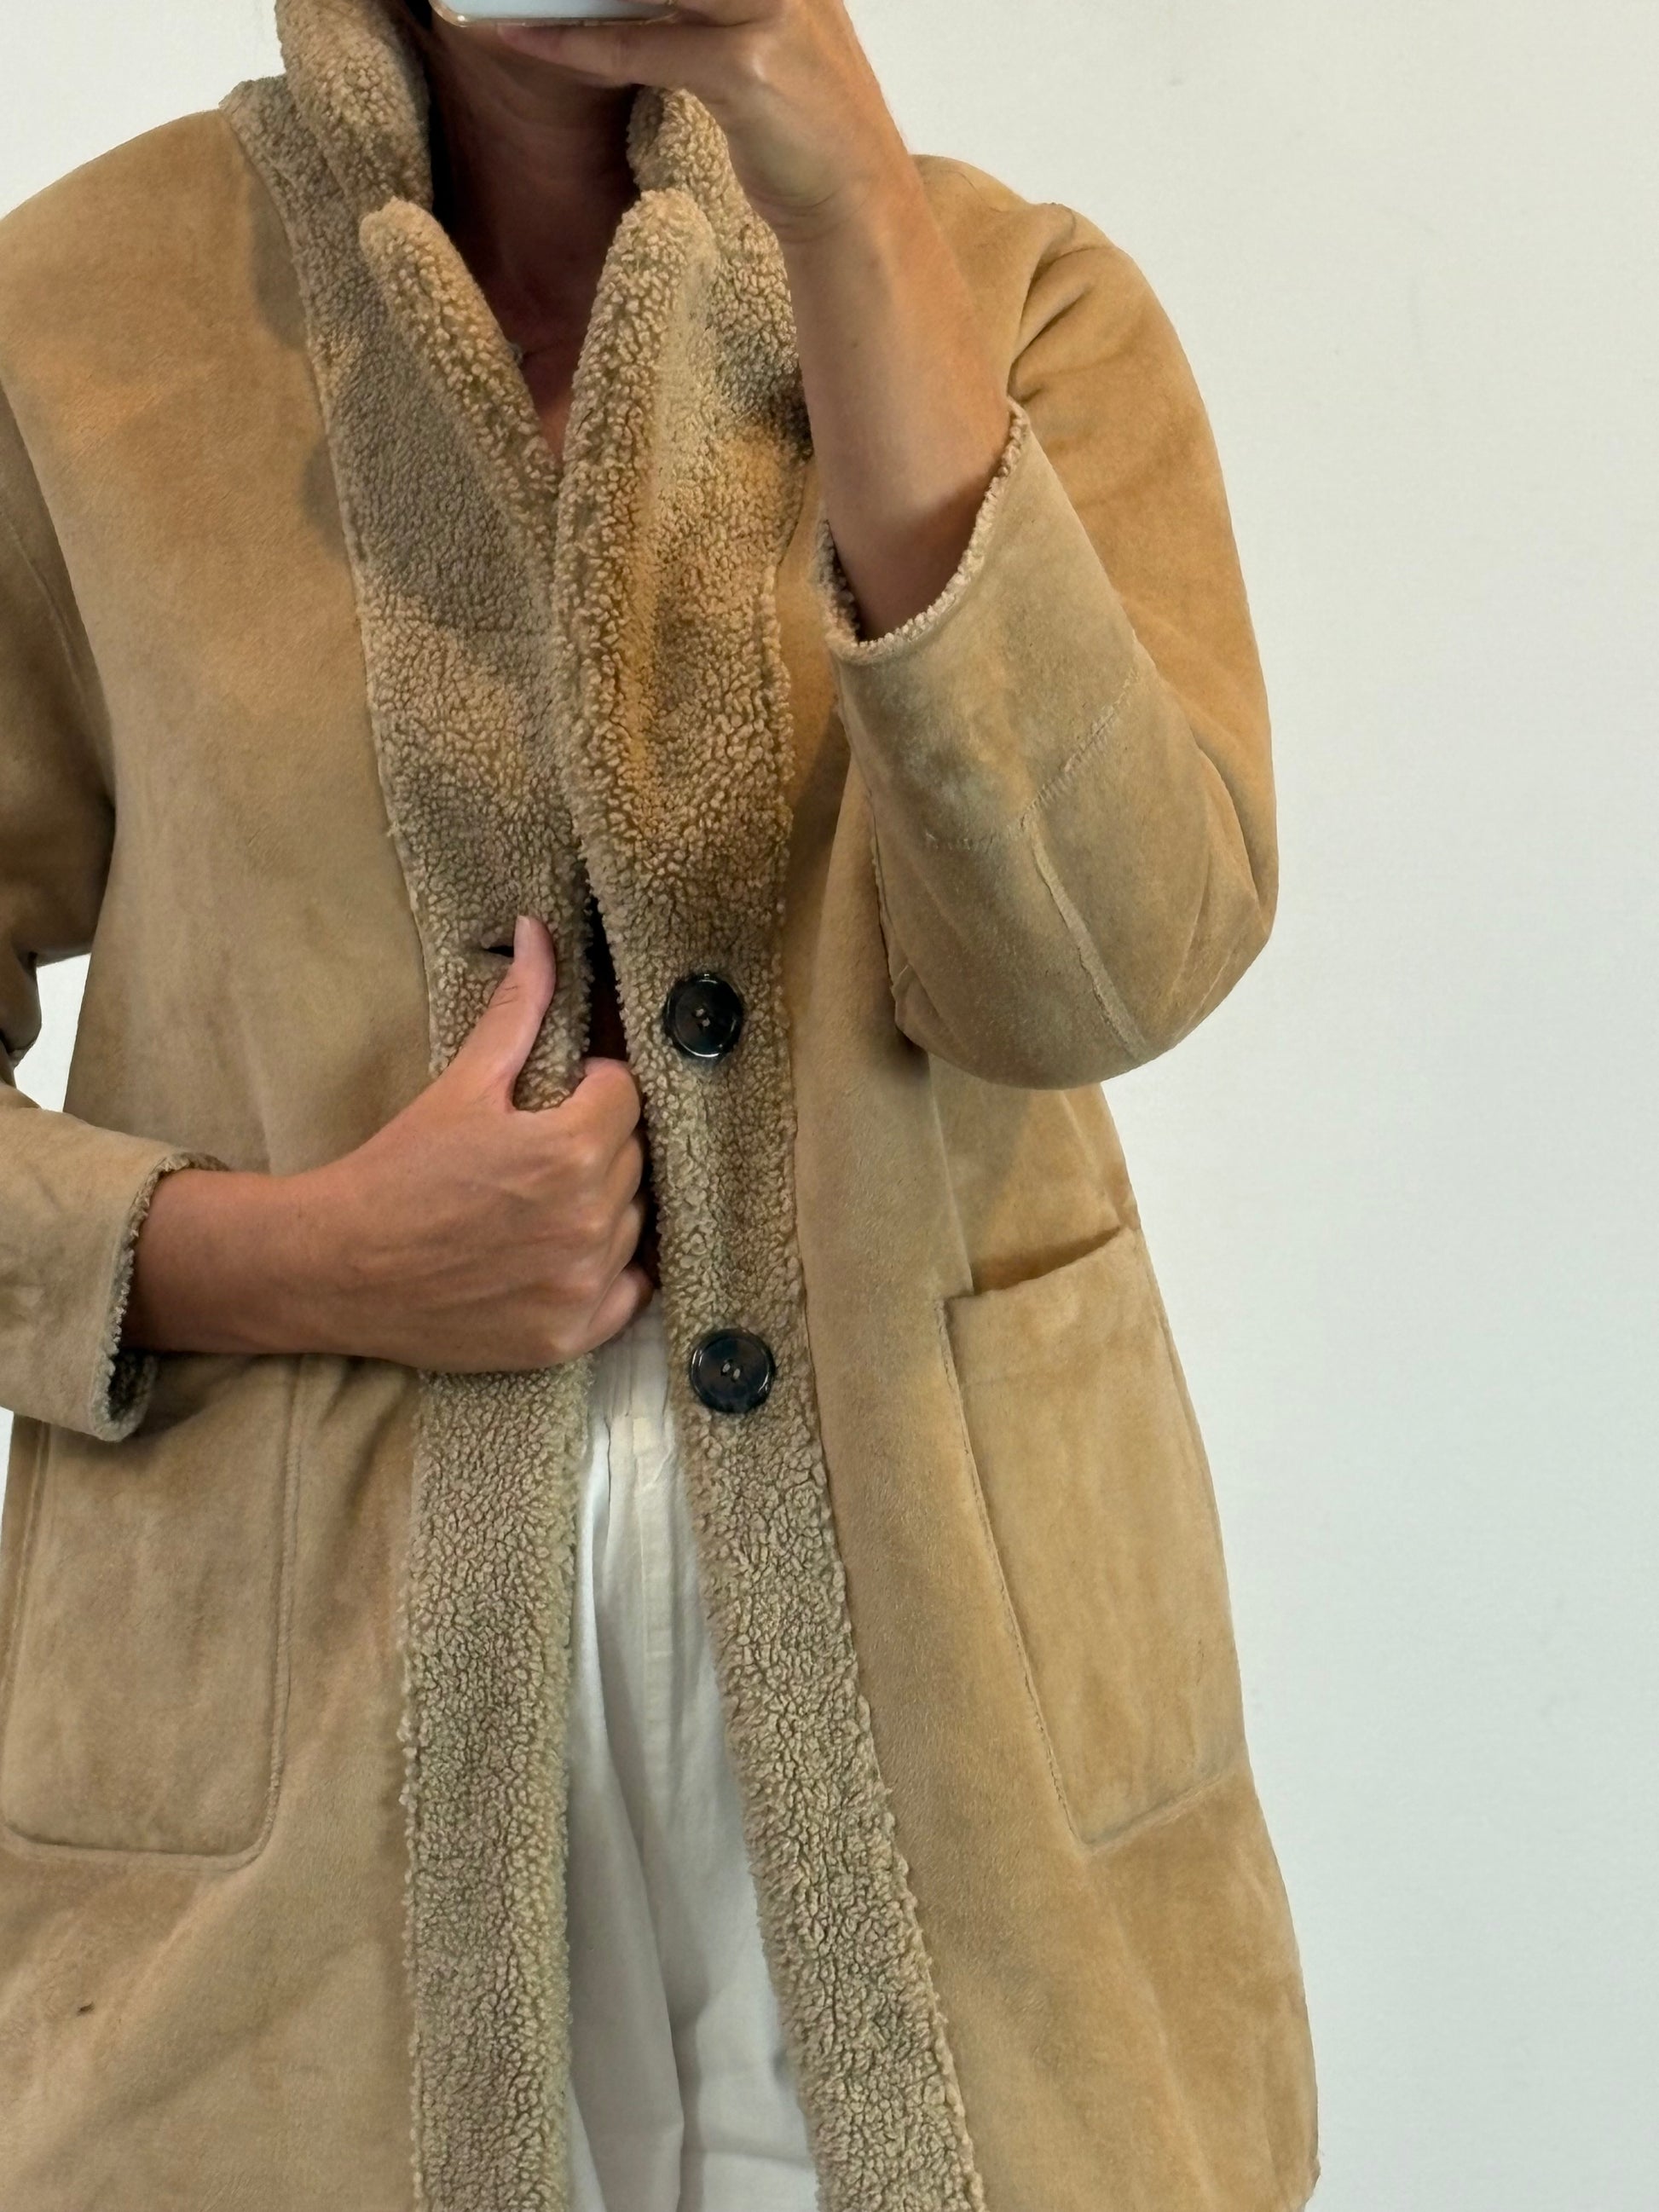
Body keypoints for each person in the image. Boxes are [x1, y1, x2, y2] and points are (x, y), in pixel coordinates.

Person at [0, 0, 1319, 2205]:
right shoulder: (73, 334)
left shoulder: (1014, 297)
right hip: (292, 1865)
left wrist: (845, 198)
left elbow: (1109, 961)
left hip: (960, 1809)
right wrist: (281, 1256)